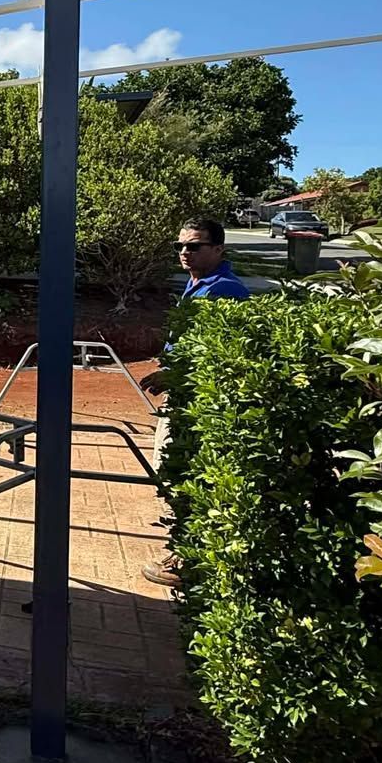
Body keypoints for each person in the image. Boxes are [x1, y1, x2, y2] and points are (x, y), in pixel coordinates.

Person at [140, 216, 248, 584]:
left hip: (201, 401)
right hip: (184, 397)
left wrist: (175, 374)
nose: (185, 252)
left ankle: (189, 557)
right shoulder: (198, 285)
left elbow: (223, 353)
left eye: (194, 246)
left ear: (218, 249)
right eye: (181, 246)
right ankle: (186, 550)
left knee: (184, 476)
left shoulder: (223, 291)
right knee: (173, 472)